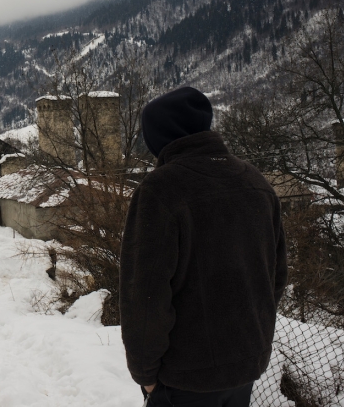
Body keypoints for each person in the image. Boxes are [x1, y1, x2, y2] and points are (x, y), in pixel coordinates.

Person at [120, 87, 287, 406]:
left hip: (186, 376)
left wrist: (146, 374)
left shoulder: (161, 190)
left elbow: (146, 296)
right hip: (245, 365)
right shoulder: (255, 182)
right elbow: (275, 278)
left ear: (158, 136)